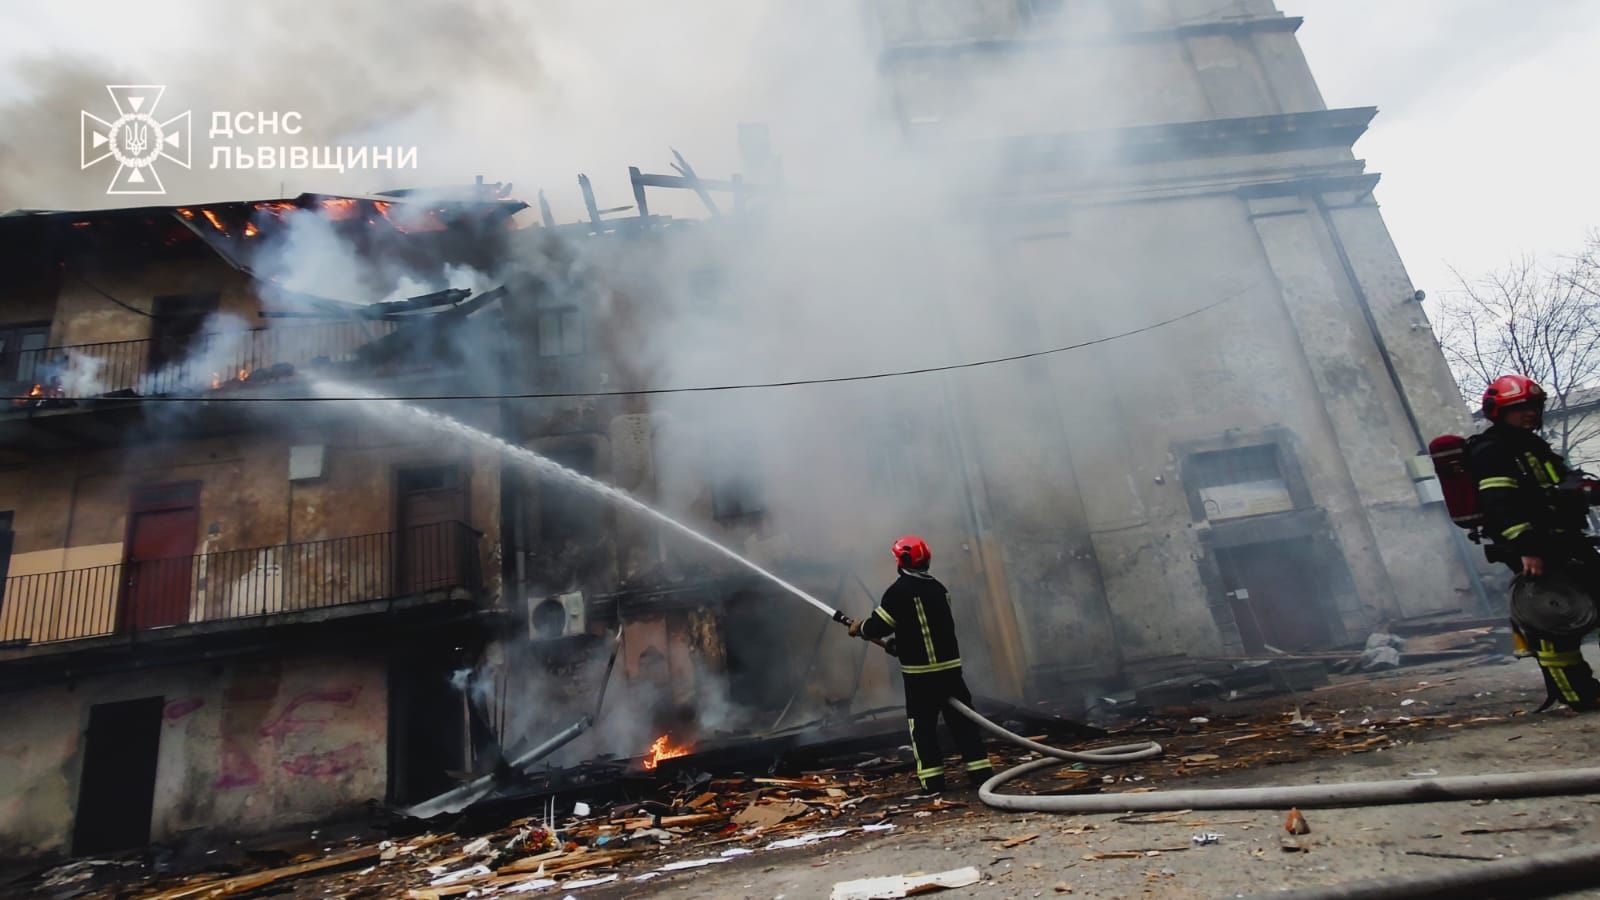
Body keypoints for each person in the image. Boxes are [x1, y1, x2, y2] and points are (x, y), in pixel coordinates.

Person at [1469, 374, 1600, 711]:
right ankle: (1579, 695)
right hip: (1536, 551)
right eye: (1520, 407)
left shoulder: (1532, 446)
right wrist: (1527, 548)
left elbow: (1558, 484)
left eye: (1533, 406)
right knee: (1554, 624)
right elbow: (1499, 504)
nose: (1530, 413)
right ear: (1498, 411)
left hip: (1565, 542)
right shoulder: (1492, 450)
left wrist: (1579, 489)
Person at [851, 534, 993, 791]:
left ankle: (932, 781)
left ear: (901, 561)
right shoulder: (939, 589)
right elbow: (928, 629)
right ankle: (981, 773)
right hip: (950, 672)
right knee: (964, 725)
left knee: (923, 730)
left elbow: (877, 627)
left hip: (920, 676)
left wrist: (859, 627)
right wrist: (901, 645)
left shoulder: (897, 592)